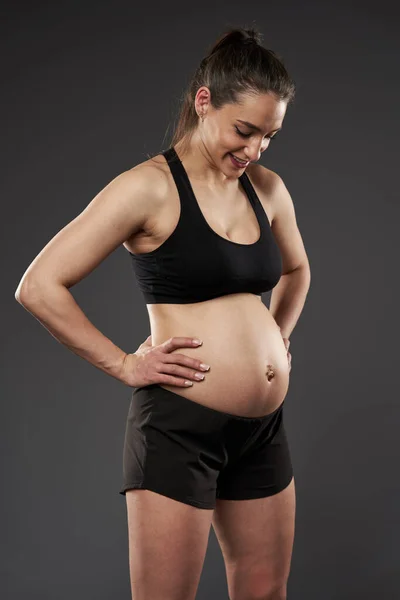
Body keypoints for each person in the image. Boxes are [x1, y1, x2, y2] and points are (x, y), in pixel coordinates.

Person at [15, 25, 311, 600]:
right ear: (205, 102)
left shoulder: (267, 188)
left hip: (262, 431)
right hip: (180, 429)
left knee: (265, 593)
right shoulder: (147, 189)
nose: (253, 151)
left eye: (269, 137)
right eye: (244, 131)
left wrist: (276, 338)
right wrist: (126, 365)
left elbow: (297, 270)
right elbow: (39, 286)